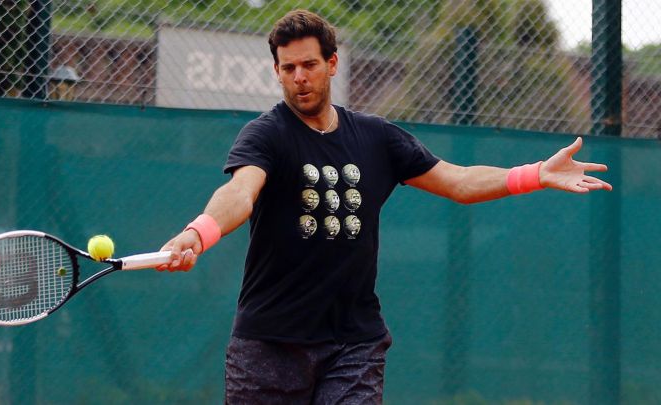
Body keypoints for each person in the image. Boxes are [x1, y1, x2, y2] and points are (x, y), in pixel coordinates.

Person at [157, 9, 612, 404]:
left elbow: (457, 181)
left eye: (310, 64)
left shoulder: (377, 137)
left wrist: (536, 174)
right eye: (288, 67)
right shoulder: (265, 135)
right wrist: (198, 233)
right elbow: (240, 193)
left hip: (353, 344)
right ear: (276, 71)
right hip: (269, 344)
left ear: (332, 63)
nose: (299, 77)